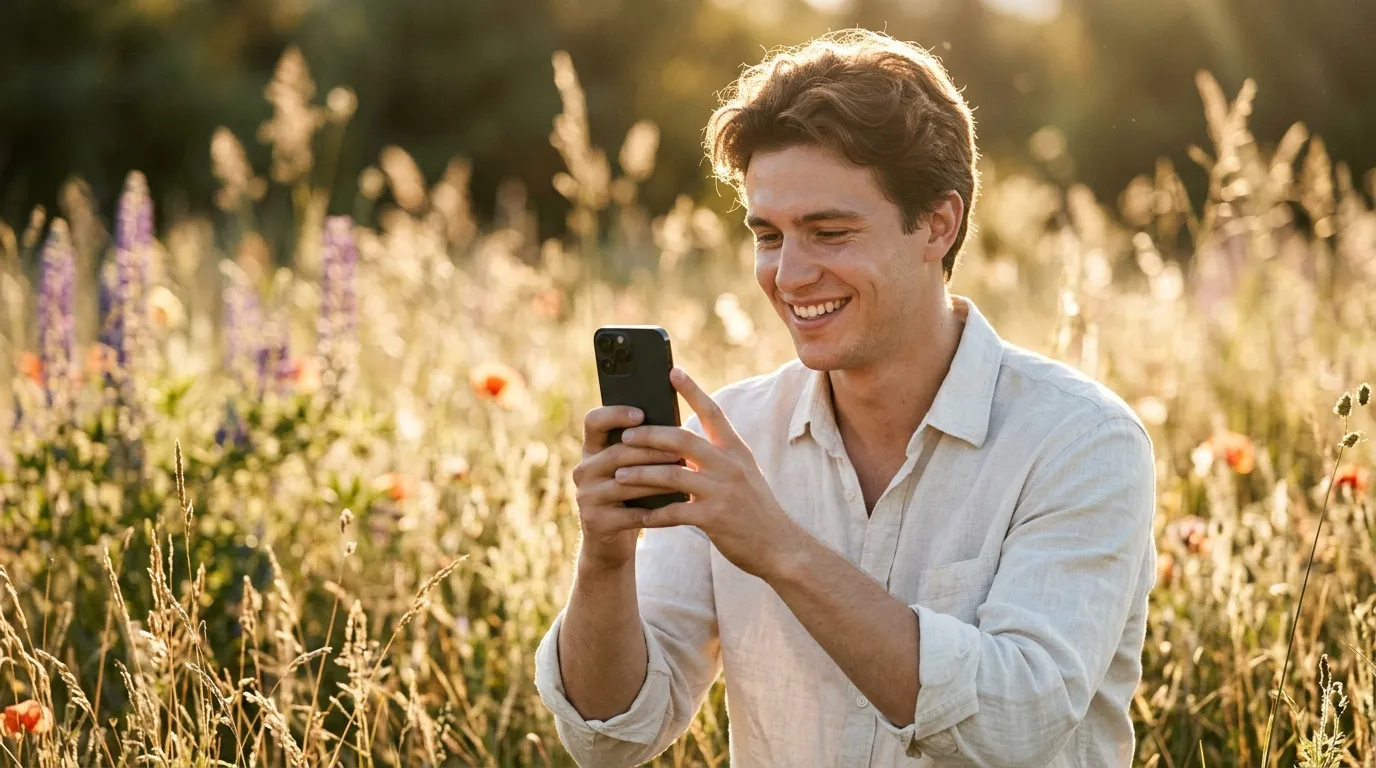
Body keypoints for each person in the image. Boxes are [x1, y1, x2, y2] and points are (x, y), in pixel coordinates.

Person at [534, 28, 1157, 768]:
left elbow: (1016, 725)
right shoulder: (737, 440)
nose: (788, 275)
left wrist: (778, 548)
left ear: (937, 224)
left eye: (829, 232)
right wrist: (605, 560)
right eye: (768, 235)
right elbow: (611, 738)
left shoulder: (1080, 442)